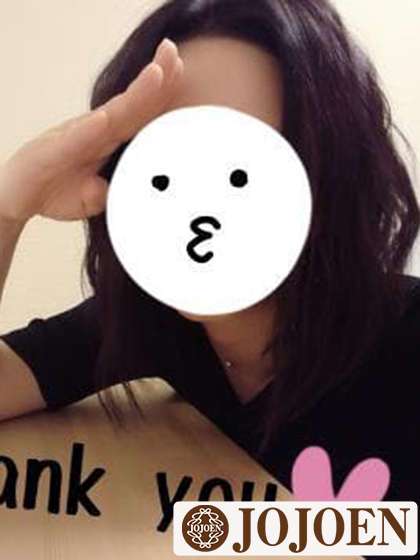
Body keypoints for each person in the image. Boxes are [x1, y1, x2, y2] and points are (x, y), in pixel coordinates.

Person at [0, 0, 419, 518]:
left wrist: (208, 528)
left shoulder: (404, 336)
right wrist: (8, 209)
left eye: (241, 170)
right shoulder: (144, 320)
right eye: (169, 159)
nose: (200, 209)